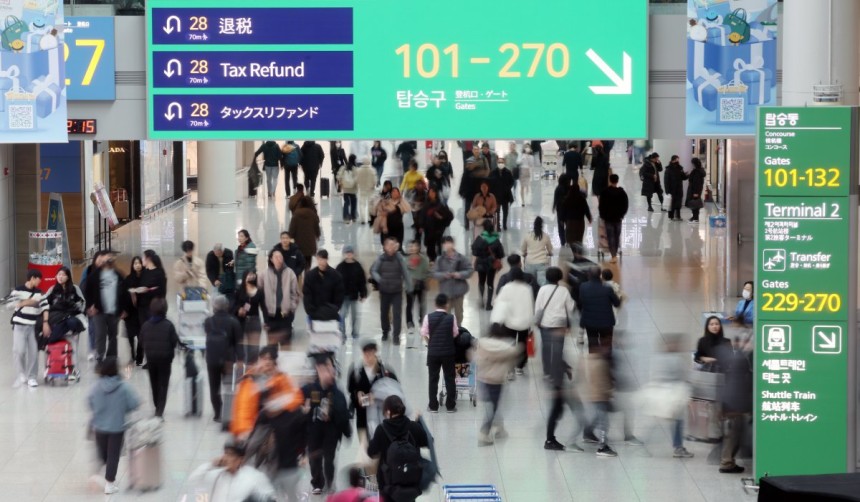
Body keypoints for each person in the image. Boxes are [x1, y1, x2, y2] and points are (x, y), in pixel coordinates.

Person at [88, 357, 141, 495]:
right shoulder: (123, 387)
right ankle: (109, 483)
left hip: (99, 427)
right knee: (113, 455)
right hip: (116, 428)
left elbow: (89, 402)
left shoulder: (96, 386)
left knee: (104, 455)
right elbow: (134, 403)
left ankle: (100, 474)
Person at [230, 346, 304, 440]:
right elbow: (243, 407)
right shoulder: (250, 380)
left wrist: (279, 403)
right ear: (258, 361)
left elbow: (296, 397)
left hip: (277, 424)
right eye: (264, 359)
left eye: (270, 359)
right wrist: (243, 431)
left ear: (275, 363)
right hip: (254, 428)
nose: (267, 363)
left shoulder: (282, 378)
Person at [302, 355, 352, 495]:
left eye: (330, 368)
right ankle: (317, 482)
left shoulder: (337, 393)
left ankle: (330, 483)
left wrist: (333, 414)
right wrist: (305, 411)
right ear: (318, 369)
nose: (329, 372)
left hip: (331, 432)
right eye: (325, 368)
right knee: (314, 458)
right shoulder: (309, 389)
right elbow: (299, 406)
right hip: (313, 431)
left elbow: (343, 413)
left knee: (329, 459)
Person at [367, 395, 429, 502]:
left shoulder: (381, 430)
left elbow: (371, 452)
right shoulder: (413, 427)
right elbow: (427, 442)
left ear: (387, 411)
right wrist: (420, 423)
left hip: (388, 484)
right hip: (410, 482)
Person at [650, 334, 695, 458]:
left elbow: (655, 376)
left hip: (662, 393)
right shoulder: (677, 359)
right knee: (677, 421)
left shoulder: (658, 358)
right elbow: (683, 378)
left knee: (661, 421)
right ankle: (678, 447)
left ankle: (645, 444)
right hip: (674, 394)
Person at [475, 324, 520, 446]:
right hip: (496, 380)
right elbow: (513, 362)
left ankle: (499, 428)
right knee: (494, 407)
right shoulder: (508, 348)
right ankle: (484, 433)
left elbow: (475, 358)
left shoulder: (481, 344)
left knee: (492, 405)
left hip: (482, 379)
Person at [189, 439, 277, 501]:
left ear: (240, 459)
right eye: (226, 454)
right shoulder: (216, 474)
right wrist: (210, 465)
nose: (226, 458)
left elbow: (271, 497)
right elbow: (193, 480)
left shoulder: (254, 476)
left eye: (231, 455)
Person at [347, 339, 398, 442]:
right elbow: (350, 391)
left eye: (370, 352)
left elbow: (396, 394)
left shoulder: (386, 373)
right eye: (365, 353)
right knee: (365, 450)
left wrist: (377, 397)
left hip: (382, 419)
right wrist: (357, 395)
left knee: (380, 448)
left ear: (375, 352)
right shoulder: (356, 372)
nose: (367, 356)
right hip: (362, 419)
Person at [716, 335, 753, 473]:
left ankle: (728, 461)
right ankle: (726, 463)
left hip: (730, 401)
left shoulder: (733, 358)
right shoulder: (740, 358)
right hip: (735, 403)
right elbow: (746, 380)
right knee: (733, 434)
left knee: (734, 434)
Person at [203, 295, 243, 422]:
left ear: (214, 307)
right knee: (228, 386)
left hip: (212, 359)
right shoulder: (233, 322)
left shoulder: (208, 321)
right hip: (228, 360)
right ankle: (227, 413)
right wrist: (241, 359)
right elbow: (238, 342)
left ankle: (217, 413)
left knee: (214, 387)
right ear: (227, 306)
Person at [491, 267, 535, 376]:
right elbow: (530, 305)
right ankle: (520, 367)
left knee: (509, 344)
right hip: (524, 322)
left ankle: (509, 369)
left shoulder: (506, 288)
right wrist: (531, 322)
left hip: (509, 322)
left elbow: (498, 303)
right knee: (522, 344)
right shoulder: (527, 288)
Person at [140, 297, 179, 418]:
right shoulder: (169, 325)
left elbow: (141, 341)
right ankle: (160, 410)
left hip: (151, 358)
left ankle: (157, 405)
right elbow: (174, 341)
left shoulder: (146, 325)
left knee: (154, 383)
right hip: (165, 359)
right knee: (163, 384)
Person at [534, 267, 575, 377]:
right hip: (559, 324)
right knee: (558, 349)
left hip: (545, 323)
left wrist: (537, 320)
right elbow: (570, 308)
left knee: (546, 348)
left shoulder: (542, 289)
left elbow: (538, 307)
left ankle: (547, 371)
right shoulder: (564, 290)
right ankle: (555, 371)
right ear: (559, 278)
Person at [422, 293, 460, 413]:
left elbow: (424, 333)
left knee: (433, 379)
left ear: (435, 304)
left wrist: (430, 343)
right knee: (449, 378)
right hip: (448, 353)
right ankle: (450, 406)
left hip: (433, 353)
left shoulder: (428, 317)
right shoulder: (451, 317)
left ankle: (433, 406)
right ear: (447, 305)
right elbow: (455, 333)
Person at [84, 254, 126, 362]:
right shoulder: (95, 275)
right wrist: (90, 306)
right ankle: (100, 355)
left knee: (113, 334)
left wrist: (123, 309)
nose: (107, 261)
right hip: (99, 311)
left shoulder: (118, 275)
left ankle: (112, 356)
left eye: (109, 259)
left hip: (114, 310)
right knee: (100, 334)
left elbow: (123, 293)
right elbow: (87, 291)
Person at [9, 269, 47, 388]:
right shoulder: (18, 290)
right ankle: (21, 374)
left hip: (33, 326)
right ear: (32, 278)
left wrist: (45, 322)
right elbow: (10, 304)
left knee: (33, 353)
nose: (40, 282)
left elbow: (45, 307)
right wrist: (26, 302)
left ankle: (32, 377)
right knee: (19, 351)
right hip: (19, 325)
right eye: (38, 279)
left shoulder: (39, 293)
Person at [371, 238, 412, 344]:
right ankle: (385, 332)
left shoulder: (399, 258)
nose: (391, 247)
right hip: (384, 291)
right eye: (389, 245)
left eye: (393, 245)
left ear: (396, 246)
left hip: (397, 291)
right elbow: (374, 271)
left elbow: (405, 272)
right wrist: (380, 280)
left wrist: (409, 286)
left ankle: (396, 336)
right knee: (384, 313)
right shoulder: (381, 259)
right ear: (384, 247)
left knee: (397, 314)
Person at [260, 249, 300, 349]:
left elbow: (295, 293)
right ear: (271, 259)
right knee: (271, 346)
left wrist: (292, 308)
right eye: (276, 257)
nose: (279, 259)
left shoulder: (290, 273)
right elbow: (259, 294)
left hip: (285, 314)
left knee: (286, 345)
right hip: (271, 314)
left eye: (280, 257)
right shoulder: (264, 274)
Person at [579, 266, 621, 356]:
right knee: (606, 345)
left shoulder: (583, 287)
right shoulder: (607, 289)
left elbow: (581, 302)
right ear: (600, 275)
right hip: (606, 322)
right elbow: (617, 303)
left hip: (590, 322)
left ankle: (594, 365)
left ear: (589, 275)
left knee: (592, 344)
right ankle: (606, 363)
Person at [431, 236, 472, 324]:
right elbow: (434, 273)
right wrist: (444, 275)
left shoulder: (461, 258)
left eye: (449, 243)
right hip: (446, 292)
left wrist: (459, 274)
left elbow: (470, 270)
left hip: (459, 292)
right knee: (446, 316)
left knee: (459, 314)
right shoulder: (440, 259)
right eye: (444, 243)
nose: (447, 245)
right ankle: (448, 333)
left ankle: (458, 331)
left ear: (453, 244)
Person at [304, 249, 345, 324]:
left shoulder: (336, 276)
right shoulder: (310, 276)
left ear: (327, 259)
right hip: (314, 312)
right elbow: (307, 294)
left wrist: (335, 308)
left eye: (323, 259)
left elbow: (339, 294)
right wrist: (310, 310)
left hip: (331, 312)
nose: (321, 262)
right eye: (319, 259)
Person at [471, 219, 505, 311]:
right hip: (491, 264)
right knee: (490, 282)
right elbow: (501, 254)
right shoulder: (496, 240)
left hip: (481, 263)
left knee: (481, 281)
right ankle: (489, 304)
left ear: (484, 228)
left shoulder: (480, 238)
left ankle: (481, 299)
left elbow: (474, 252)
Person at [336, 245, 368, 340]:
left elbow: (362, 281)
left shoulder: (358, 266)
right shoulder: (340, 267)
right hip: (343, 296)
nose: (349, 254)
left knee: (355, 316)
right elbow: (335, 282)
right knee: (342, 314)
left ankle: (355, 332)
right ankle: (342, 333)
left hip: (354, 295)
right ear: (344, 254)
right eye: (347, 252)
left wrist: (363, 294)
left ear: (353, 254)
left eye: (350, 252)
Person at [234, 271, 265, 364]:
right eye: (249, 275)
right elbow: (234, 304)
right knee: (242, 347)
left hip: (254, 320)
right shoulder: (239, 290)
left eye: (253, 275)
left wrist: (267, 321)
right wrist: (239, 309)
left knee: (254, 348)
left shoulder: (259, 291)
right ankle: (241, 371)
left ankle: (251, 371)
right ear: (245, 277)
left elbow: (264, 307)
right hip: (241, 321)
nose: (251, 277)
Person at [598, 174, 629, 263]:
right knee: (616, 236)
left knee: (610, 236)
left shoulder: (604, 192)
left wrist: (603, 215)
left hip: (608, 218)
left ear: (610, 180)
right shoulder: (622, 193)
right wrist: (622, 214)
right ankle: (615, 253)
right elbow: (626, 205)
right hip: (618, 218)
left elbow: (601, 206)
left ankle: (613, 255)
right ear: (617, 181)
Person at [419, 188, 453, 262]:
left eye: (433, 192)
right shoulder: (426, 204)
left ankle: (440, 258)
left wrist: (441, 217)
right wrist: (421, 226)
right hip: (429, 229)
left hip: (438, 228)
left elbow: (449, 215)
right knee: (430, 245)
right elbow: (422, 215)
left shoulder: (441, 204)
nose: (431, 194)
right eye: (430, 192)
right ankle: (432, 259)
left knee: (439, 244)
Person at [289, 196, 322, 272]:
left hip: (299, 244)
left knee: (299, 263)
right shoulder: (312, 214)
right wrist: (317, 234)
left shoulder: (296, 213)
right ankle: (307, 277)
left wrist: (291, 236)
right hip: (310, 243)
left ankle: (299, 279)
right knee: (308, 263)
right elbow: (316, 227)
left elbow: (292, 229)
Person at [124, 256, 146, 366]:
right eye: (135, 263)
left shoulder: (146, 278)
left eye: (139, 263)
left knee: (141, 335)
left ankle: (139, 357)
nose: (137, 265)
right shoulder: (128, 279)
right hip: (130, 312)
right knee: (130, 335)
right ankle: (132, 354)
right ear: (132, 265)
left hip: (141, 311)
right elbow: (123, 294)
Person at [404, 240, 429, 334]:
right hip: (409, 286)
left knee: (421, 304)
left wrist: (421, 279)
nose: (413, 248)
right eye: (410, 246)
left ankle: (422, 321)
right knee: (409, 304)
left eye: (415, 246)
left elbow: (427, 273)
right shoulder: (404, 260)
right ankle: (409, 323)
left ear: (418, 248)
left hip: (420, 284)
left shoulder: (424, 259)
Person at [521, 217, 552, 287]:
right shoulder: (546, 236)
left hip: (529, 263)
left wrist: (524, 253)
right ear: (542, 225)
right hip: (542, 263)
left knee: (529, 284)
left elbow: (523, 249)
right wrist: (549, 253)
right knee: (543, 284)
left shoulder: (527, 235)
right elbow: (550, 250)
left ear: (534, 225)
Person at [561, 183, 592, 249]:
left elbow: (563, 211)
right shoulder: (582, 199)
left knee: (570, 239)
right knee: (578, 238)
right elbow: (586, 209)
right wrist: (589, 218)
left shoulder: (567, 199)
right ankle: (578, 253)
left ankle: (574, 253)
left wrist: (562, 220)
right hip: (580, 222)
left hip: (570, 222)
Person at [493, 157, 515, 231]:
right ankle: (498, 225)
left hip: (505, 195)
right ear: (497, 163)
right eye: (499, 162)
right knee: (497, 211)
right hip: (496, 196)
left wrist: (507, 188)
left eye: (502, 162)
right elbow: (489, 182)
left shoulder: (508, 172)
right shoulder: (493, 172)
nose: (500, 164)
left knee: (505, 211)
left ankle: (504, 224)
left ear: (504, 163)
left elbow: (512, 182)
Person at [664, 155, 688, 221]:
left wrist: (687, 175)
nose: (677, 161)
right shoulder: (668, 169)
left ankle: (678, 216)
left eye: (678, 160)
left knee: (678, 203)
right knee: (671, 203)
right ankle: (671, 216)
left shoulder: (680, 168)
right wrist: (667, 191)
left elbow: (683, 177)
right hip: (671, 189)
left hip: (679, 188)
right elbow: (666, 181)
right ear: (673, 160)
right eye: (676, 160)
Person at [356, 156, 379, 224]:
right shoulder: (372, 170)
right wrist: (374, 185)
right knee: (370, 204)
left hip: (362, 189)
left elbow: (357, 180)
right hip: (370, 189)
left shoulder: (359, 170)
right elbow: (375, 180)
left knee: (362, 204)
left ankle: (363, 219)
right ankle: (370, 218)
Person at [338, 154, 359, 224]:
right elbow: (357, 179)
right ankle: (353, 217)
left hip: (345, 189)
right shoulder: (355, 168)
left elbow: (338, 176)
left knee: (346, 203)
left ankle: (346, 217)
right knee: (354, 203)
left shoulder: (343, 167)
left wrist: (341, 184)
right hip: (353, 189)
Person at [552, 174, 570, 246]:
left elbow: (556, 199)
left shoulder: (557, 189)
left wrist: (554, 207)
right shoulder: (569, 188)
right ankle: (567, 239)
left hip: (560, 210)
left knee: (560, 227)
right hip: (568, 210)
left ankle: (562, 241)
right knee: (568, 225)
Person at [686, 157, 707, 222]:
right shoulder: (698, 170)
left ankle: (695, 218)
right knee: (694, 203)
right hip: (695, 190)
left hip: (695, 190)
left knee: (695, 204)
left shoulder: (697, 172)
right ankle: (694, 217)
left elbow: (697, 183)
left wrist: (696, 192)